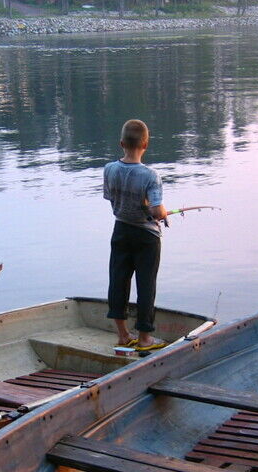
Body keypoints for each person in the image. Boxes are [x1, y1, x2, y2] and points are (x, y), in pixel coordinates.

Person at [104, 119, 167, 352]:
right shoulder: (151, 175)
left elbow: (111, 198)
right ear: (146, 144)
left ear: (121, 143)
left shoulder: (109, 169)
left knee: (118, 280)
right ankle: (144, 338)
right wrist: (161, 213)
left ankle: (123, 335)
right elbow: (156, 211)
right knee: (146, 284)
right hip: (146, 236)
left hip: (120, 230)